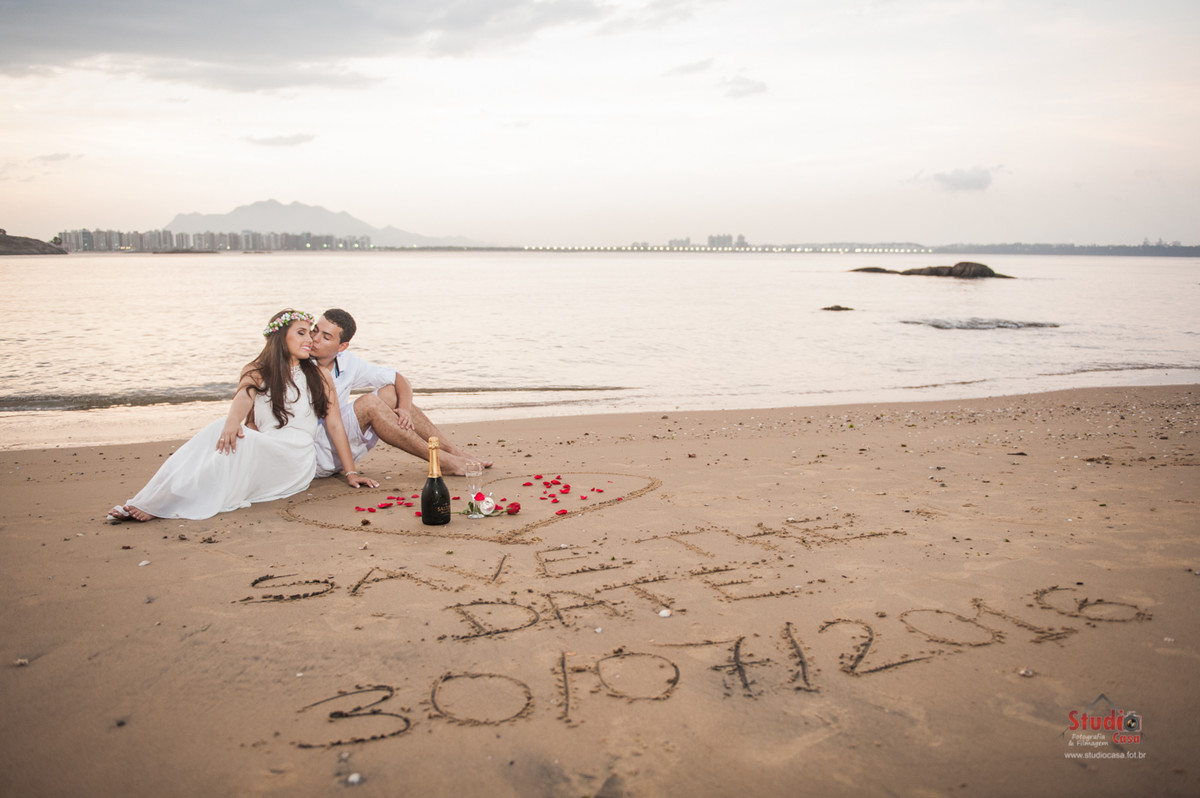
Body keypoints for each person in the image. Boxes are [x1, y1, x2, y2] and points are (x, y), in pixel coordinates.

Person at [106, 309, 377, 523]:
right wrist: (232, 422)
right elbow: (243, 397)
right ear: (281, 337)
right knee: (222, 431)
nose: (311, 339)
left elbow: (334, 424)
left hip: (296, 458)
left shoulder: (319, 374)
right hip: (267, 446)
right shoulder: (257, 370)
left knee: (237, 441)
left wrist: (351, 473)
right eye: (302, 333)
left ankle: (162, 503)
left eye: (312, 333)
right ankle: (152, 499)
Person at [307, 308, 486, 477]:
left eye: (326, 337)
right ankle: (442, 461)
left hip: (339, 447)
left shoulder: (346, 361)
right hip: (315, 456)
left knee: (391, 393)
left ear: (342, 347)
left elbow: (399, 379)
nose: (315, 338)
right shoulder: (300, 362)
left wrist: (404, 409)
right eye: (315, 330)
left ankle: (453, 451)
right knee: (369, 403)